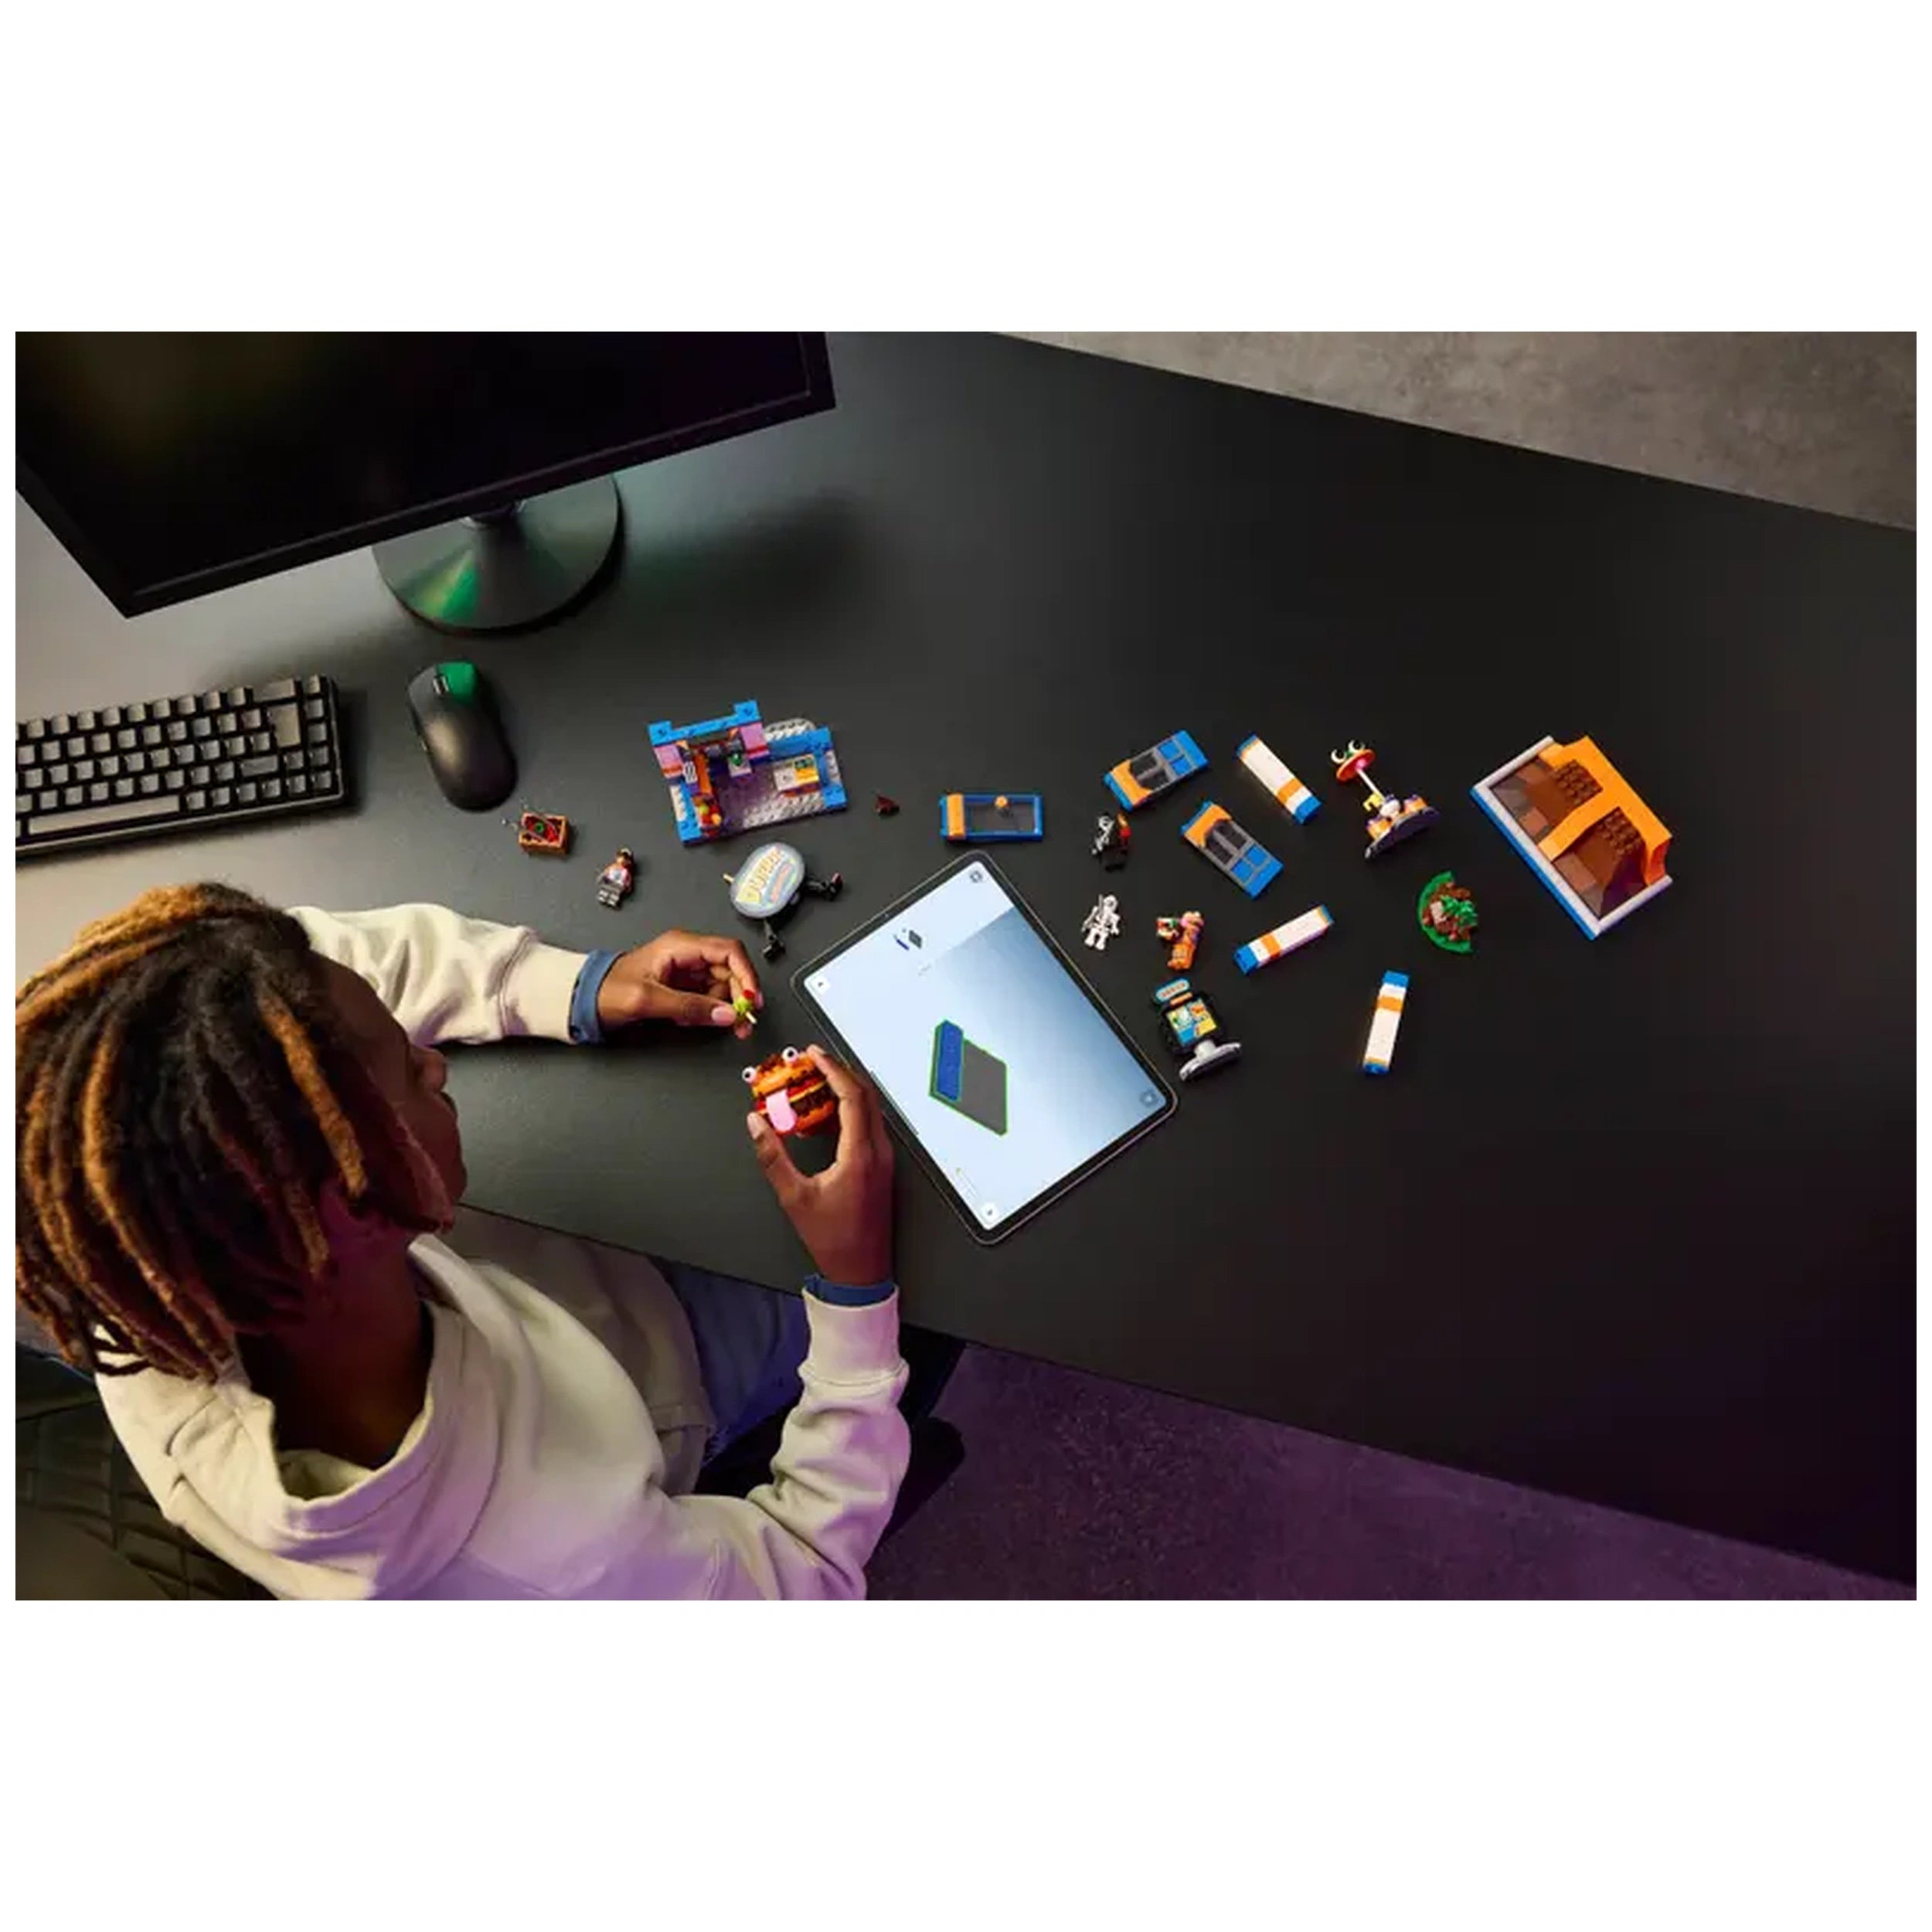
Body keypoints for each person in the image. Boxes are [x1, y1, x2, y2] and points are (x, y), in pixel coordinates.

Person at [14, 886, 944, 1599]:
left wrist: (580, 985)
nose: (433, 1058)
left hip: (529, 1301)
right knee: (937, 1273)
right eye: (406, 1073)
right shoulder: (550, 1554)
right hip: (657, 1384)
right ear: (350, 1207)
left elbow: (298, 973)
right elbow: (803, 1572)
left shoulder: (126, 1230)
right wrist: (855, 1294)